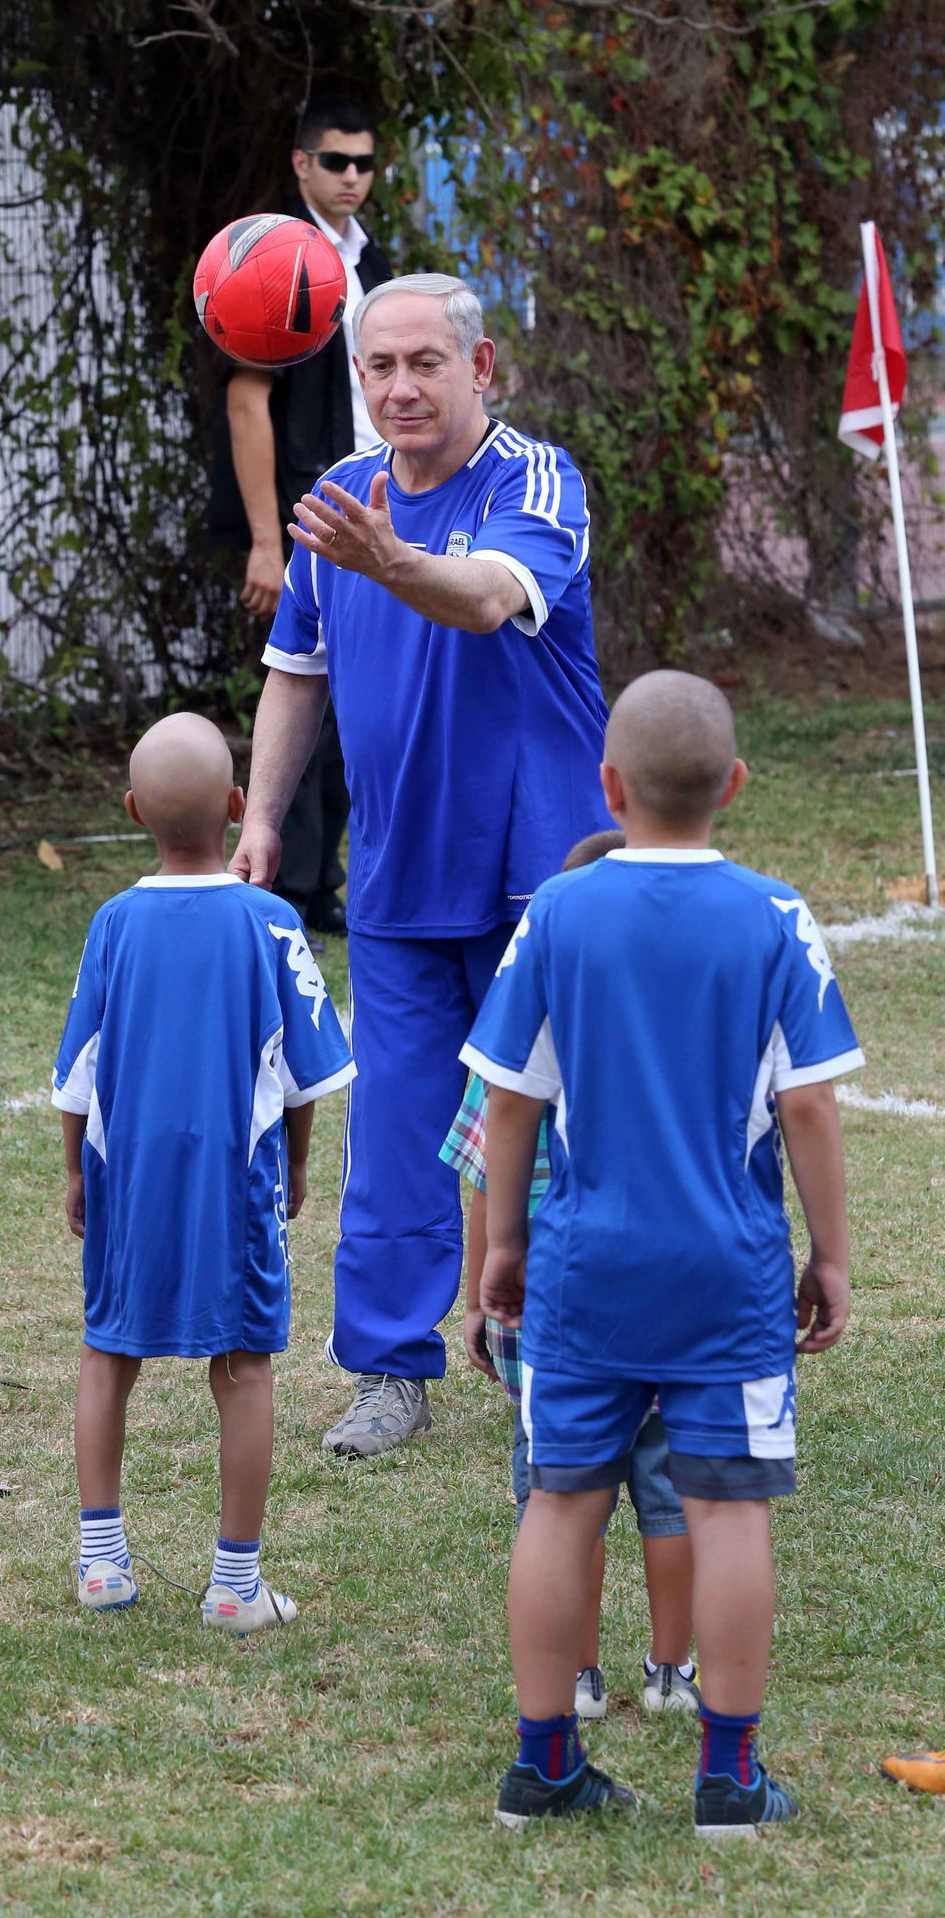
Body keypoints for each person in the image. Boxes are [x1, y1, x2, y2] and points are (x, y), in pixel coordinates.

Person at [467, 671, 862, 1835]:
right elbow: (808, 1111)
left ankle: (543, 1767)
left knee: (560, 1500)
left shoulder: (556, 911)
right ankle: (726, 1780)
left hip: (585, 1267)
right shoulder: (774, 917)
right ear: (733, 787)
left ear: (607, 786)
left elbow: (507, 1102)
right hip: (726, 1274)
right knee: (728, 1510)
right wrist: (829, 1255)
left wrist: (502, 1242)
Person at [233, 272, 608, 1457]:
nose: (399, 386)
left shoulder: (534, 482)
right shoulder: (340, 499)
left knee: (548, 1127)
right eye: (377, 367)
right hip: (396, 880)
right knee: (392, 1134)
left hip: (536, 882)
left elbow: (487, 599)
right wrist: (264, 822)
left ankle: (550, 1350)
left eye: (423, 364)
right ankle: (388, 1372)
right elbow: (296, 671)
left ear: (480, 366)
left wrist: (390, 562)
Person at [53, 713, 354, 1631]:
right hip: (235, 1180)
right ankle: (236, 1582)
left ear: (135, 809)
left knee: (110, 1353)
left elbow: (80, 1073)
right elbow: (304, 1073)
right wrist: (296, 1165)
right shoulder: (270, 922)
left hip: (129, 1179)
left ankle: (100, 1559)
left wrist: (75, 1173)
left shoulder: (113, 924)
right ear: (235, 806)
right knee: (247, 1368)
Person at [450, 829, 699, 1723]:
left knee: (560, 1498)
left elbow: (482, 1178)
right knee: (673, 1498)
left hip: (551, 1304)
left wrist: (480, 1289)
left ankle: (581, 1680)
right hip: (678, 1299)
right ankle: (674, 1674)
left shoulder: (526, 1023)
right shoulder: (681, 1039)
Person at [211, 96, 392, 939]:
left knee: (365, 697)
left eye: (362, 163)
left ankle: (326, 885)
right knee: (303, 692)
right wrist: (262, 540)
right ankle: (290, 885)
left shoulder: (375, 264)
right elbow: (248, 401)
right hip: (302, 517)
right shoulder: (275, 255)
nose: (350, 177)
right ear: (300, 165)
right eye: (334, 162)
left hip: (373, 506)